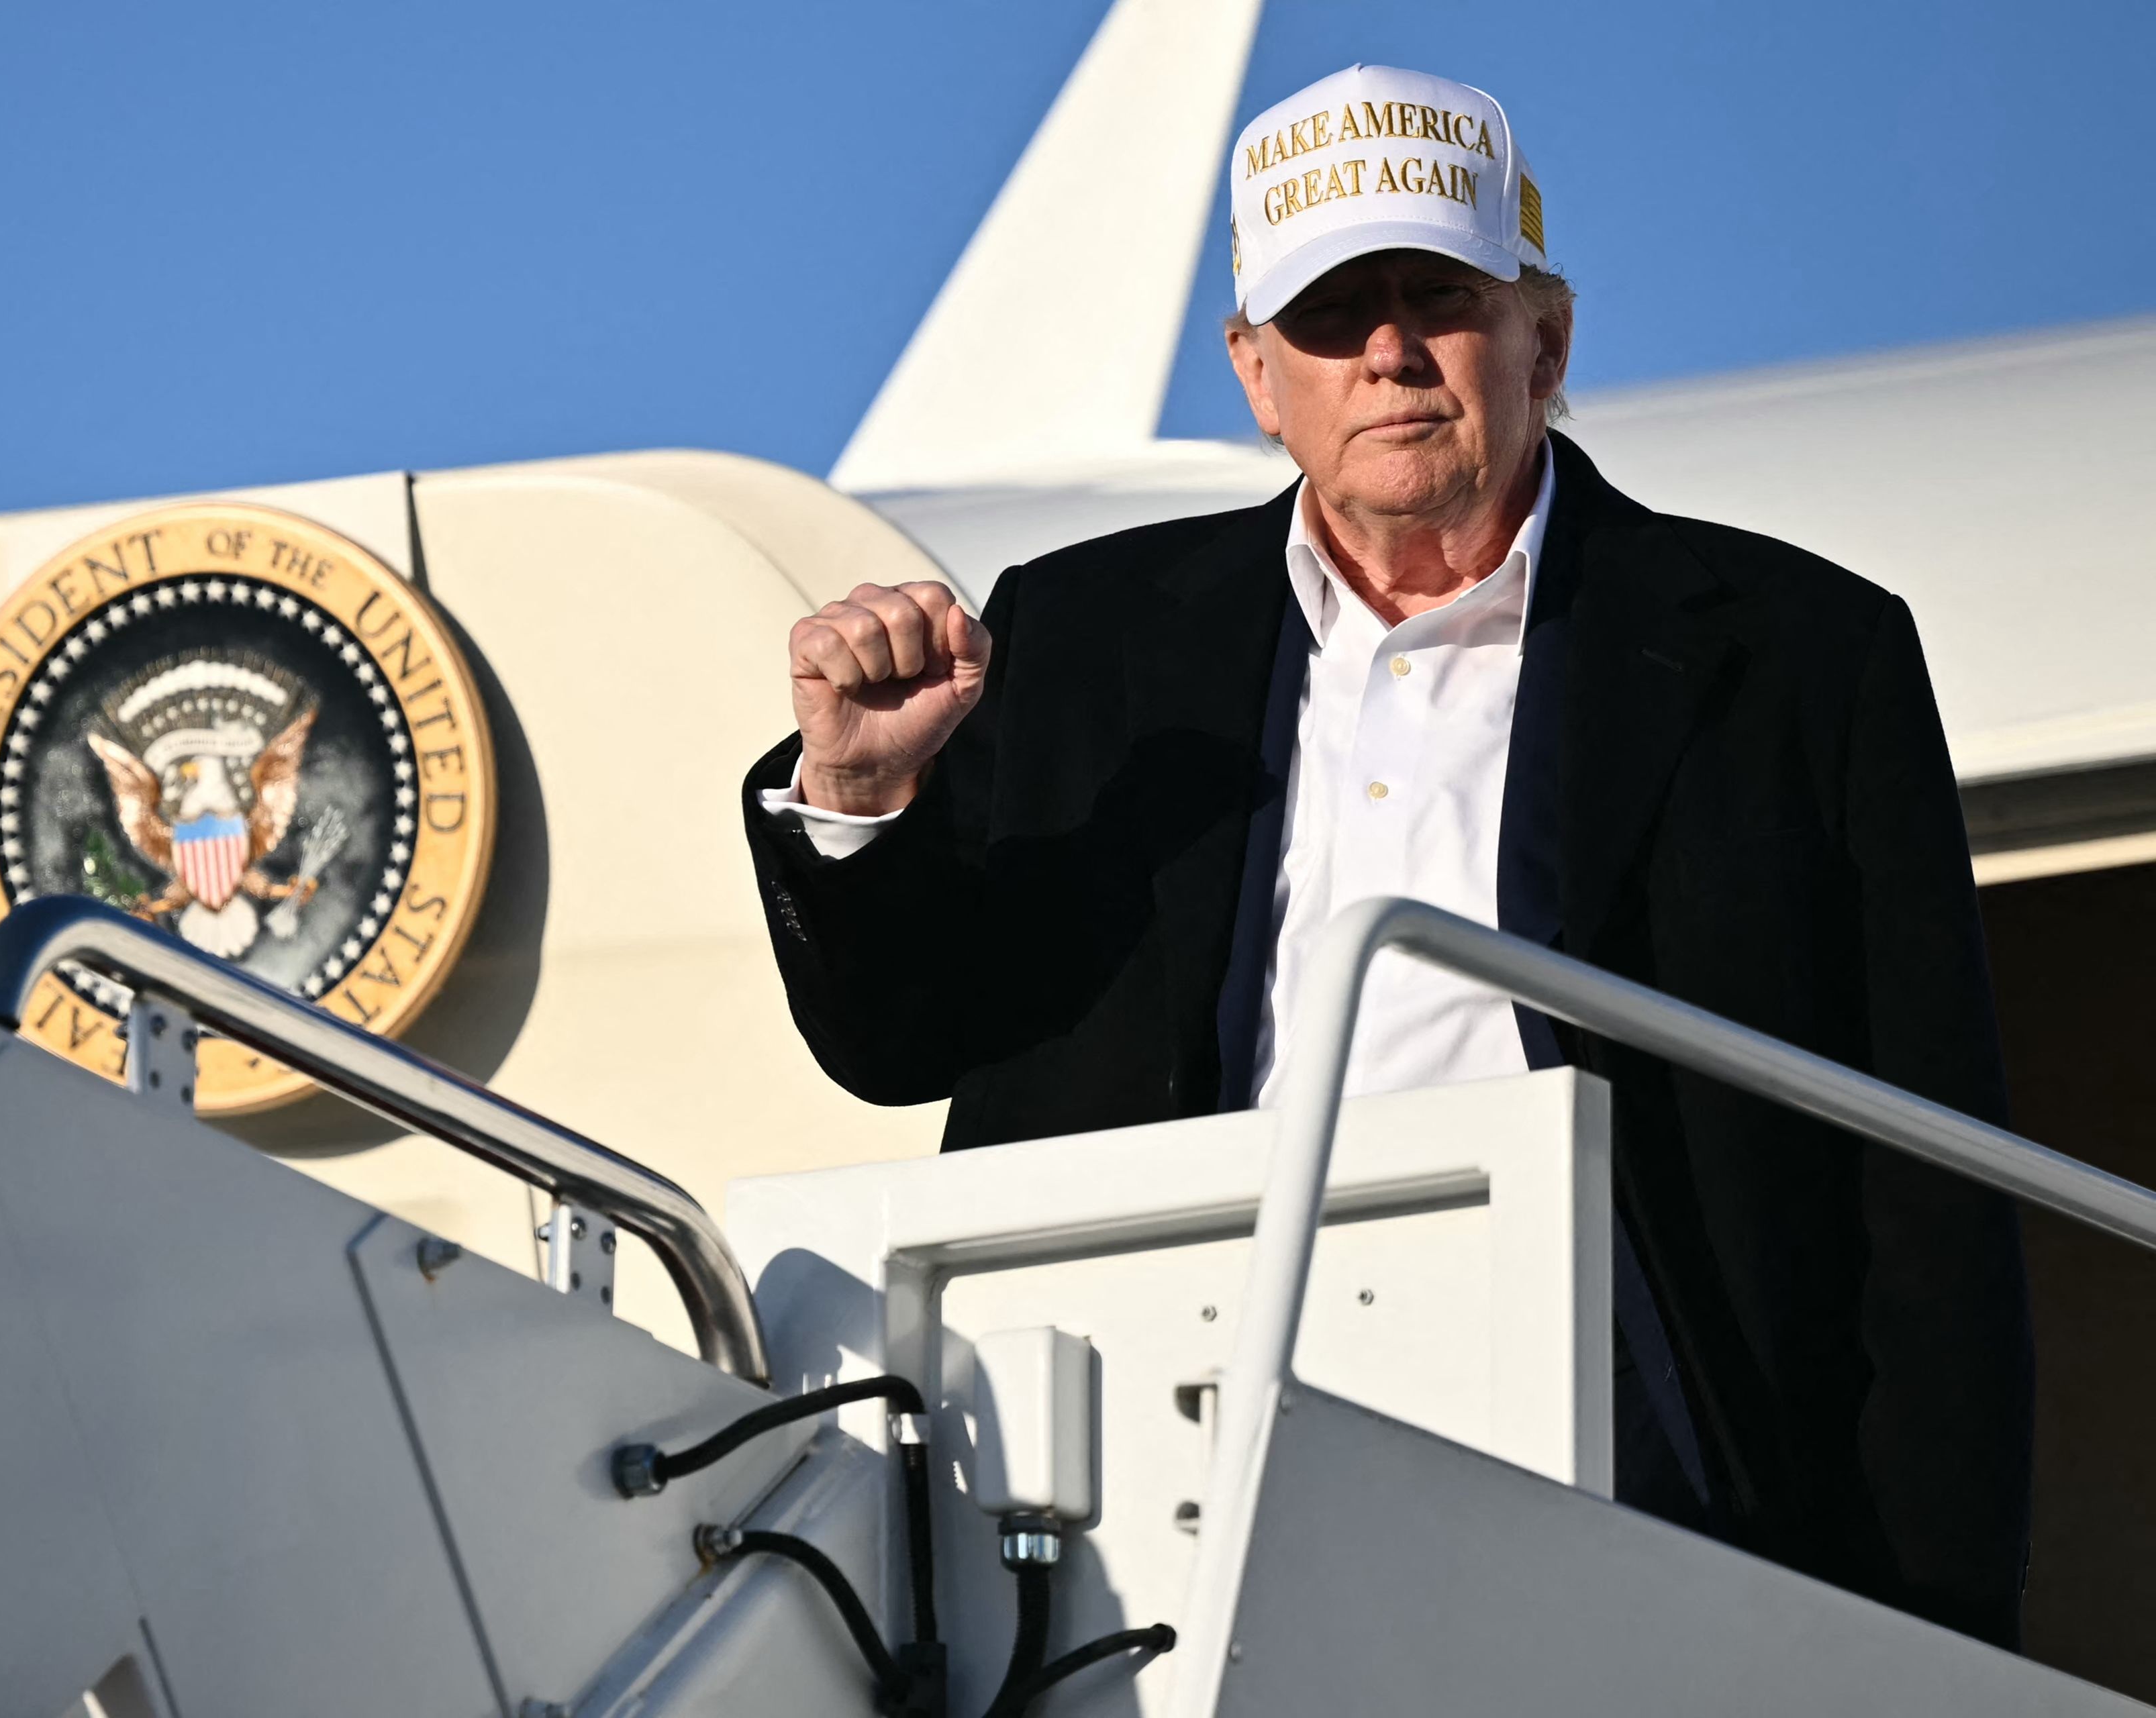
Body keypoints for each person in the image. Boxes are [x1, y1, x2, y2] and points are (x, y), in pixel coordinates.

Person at [741, 62, 2031, 1646]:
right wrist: (858, 804)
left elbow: (1930, 1194)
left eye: (1439, 296)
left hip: (1636, 1424)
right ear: (1256, 375)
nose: (1390, 355)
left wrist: (1939, 1633)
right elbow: (903, 1038)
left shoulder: (1802, 653)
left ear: (1545, 337)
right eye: (1332, 314)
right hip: (1155, 1418)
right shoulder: (1083, 637)